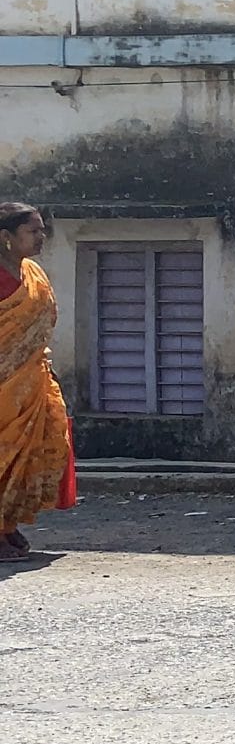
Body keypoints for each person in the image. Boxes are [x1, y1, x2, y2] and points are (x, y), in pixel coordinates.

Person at [0, 203, 74, 564]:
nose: (41, 237)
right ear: (6, 238)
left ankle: (6, 524)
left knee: (28, 455)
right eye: (33, 231)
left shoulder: (34, 274)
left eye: (42, 229)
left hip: (30, 382)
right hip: (3, 389)